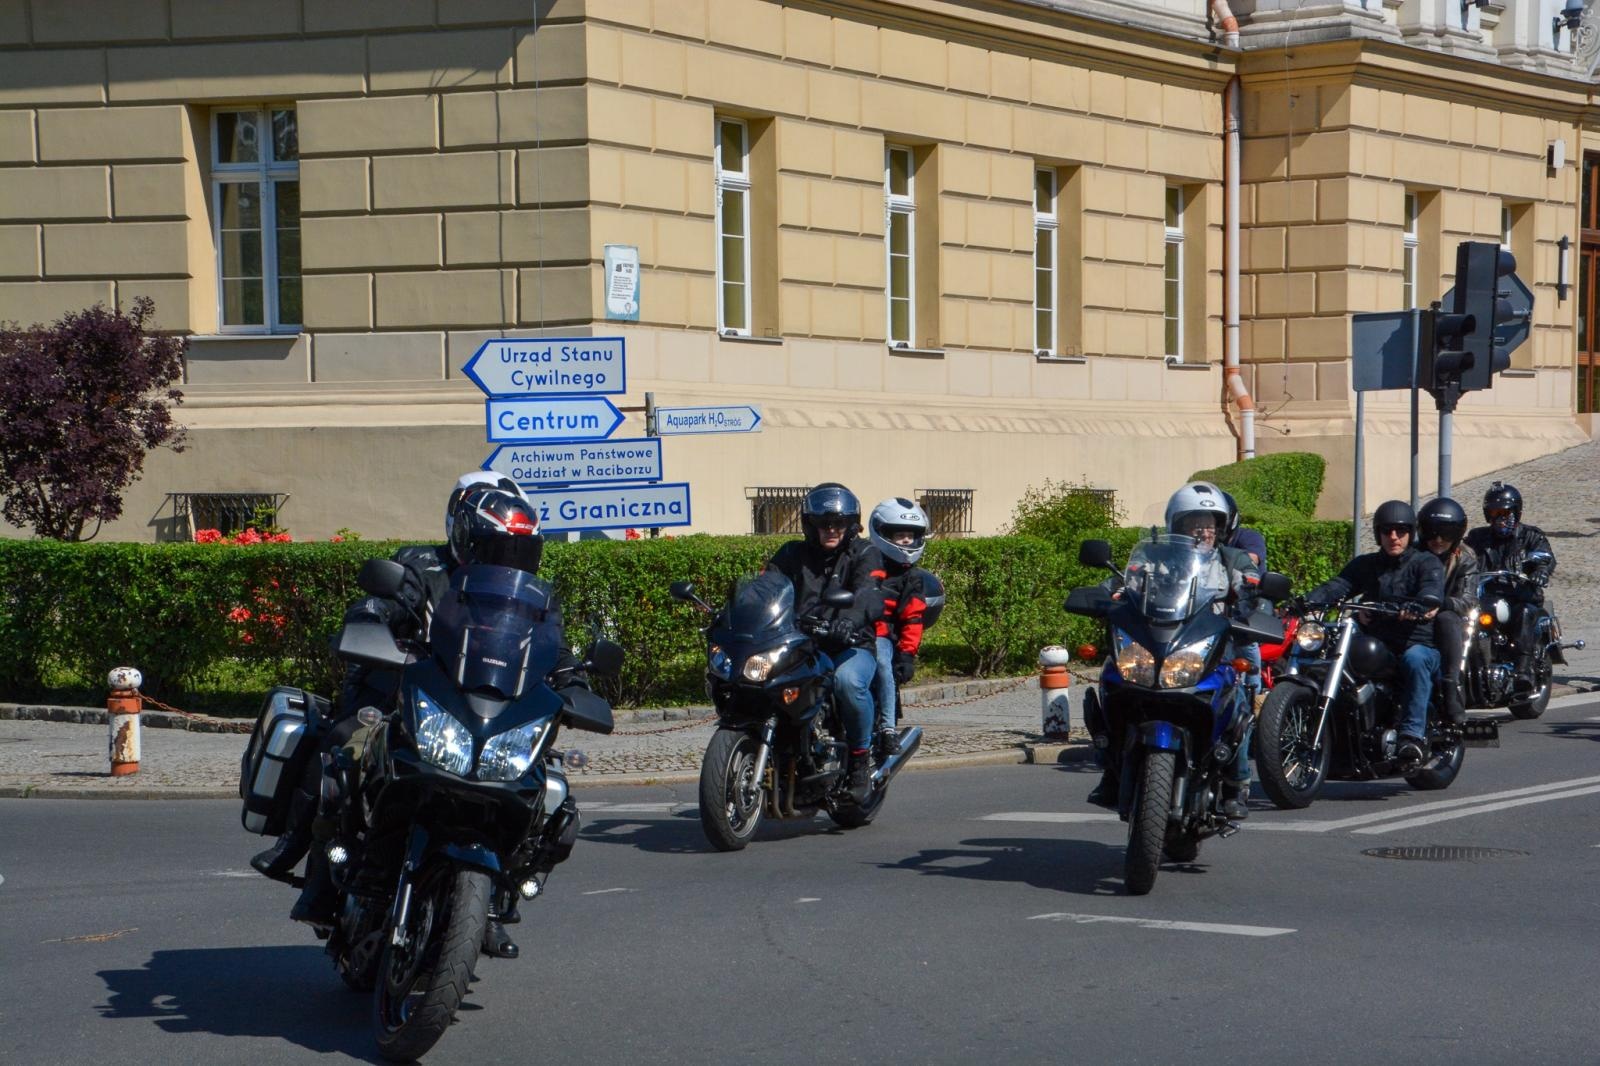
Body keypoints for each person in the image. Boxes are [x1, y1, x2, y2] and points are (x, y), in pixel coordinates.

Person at [254, 474, 585, 961]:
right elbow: (380, 602)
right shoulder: (420, 565)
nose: (508, 558)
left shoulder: (533, 596)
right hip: (403, 695)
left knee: (547, 788)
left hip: (484, 712)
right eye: (497, 544)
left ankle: (492, 901)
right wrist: (369, 619)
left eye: (520, 549)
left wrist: (577, 679)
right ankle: (310, 862)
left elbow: (554, 649)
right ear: (463, 532)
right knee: (345, 744)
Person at [1087, 482, 1260, 819]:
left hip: (1211, 651)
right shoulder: (1156, 557)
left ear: (1222, 527)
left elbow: (1250, 582)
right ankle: (1111, 769)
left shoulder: (1231, 559)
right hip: (1160, 642)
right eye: (1195, 522)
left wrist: (1254, 595)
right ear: (1177, 525)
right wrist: (1109, 593)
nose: (1204, 529)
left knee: (1236, 703)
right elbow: (1127, 580)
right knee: (1112, 676)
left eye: (1211, 522)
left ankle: (1236, 784)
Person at [1302, 500, 1444, 765]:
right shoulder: (1366, 564)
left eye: (1400, 531)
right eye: (1387, 531)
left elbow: (1432, 591)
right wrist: (1306, 599)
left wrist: (1419, 603)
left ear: (1411, 532)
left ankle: (1412, 737)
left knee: (1414, 660)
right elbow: (1339, 585)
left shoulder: (1426, 563)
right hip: (1378, 641)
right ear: (1378, 533)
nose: (1393, 537)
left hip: (1416, 642)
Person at [766, 483, 883, 801]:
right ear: (810, 524)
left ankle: (859, 759)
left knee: (846, 682)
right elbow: (766, 586)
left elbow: (869, 595)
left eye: (839, 523)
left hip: (850, 643)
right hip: (800, 644)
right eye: (823, 523)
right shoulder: (792, 554)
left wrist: (849, 621)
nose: (831, 529)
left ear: (850, 524)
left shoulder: (865, 553)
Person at [1463, 481, 1556, 688]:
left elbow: (1545, 557)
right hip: (1487, 595)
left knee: (1523, 613)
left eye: (1504, 513)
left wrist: (1540, 571)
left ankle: (1523, 670)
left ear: (1516, 512)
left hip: (1520, 595)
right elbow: (1463, 555)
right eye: (1494, 513)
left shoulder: (1531, 535)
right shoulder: (1478, 537)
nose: (1499, 519)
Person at [866, 497, 933, 758]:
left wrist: (906, 655)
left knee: (883, 662)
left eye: (910, 536)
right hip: (850, 631)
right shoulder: (865, 561)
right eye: (900, 535)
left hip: (880, 635)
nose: (906, 541)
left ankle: (887, 729)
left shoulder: (911, 577)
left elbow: (913, 619)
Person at [1417, 497, 1477, 724]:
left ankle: (1451, 686)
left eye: (1446, 533)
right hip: (1415, 613)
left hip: (1451, 616)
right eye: (1433, 532)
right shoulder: (1414, 554)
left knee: (1446, 620)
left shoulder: (1465, 558)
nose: (1438, 539)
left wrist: (1442, 604)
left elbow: (1468, 599)